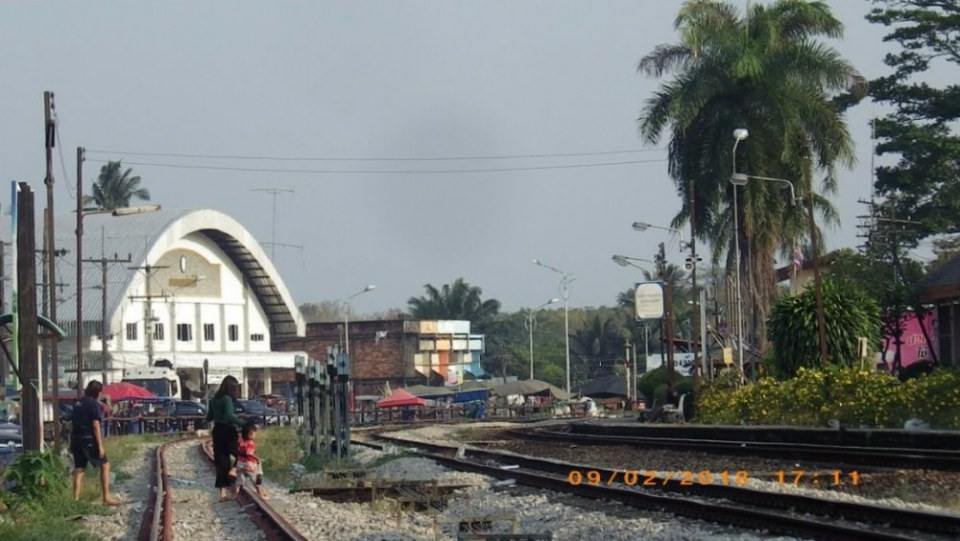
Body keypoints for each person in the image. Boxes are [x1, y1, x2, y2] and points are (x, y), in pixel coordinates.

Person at [70, 380, 120, 505]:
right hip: (89, 439)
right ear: (98, 392)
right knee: (105, 465)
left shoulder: (78, 403)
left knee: (79, 468)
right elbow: (96, 425)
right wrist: (100, 446)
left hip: (76, 439)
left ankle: (75, 499)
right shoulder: (93, 405)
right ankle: (106, 497)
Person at [206, 375, 245, 501]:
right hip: (228, 430)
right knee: (241, 453)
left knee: (221, 462)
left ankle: (222, 494)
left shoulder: (214, 399)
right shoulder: (227, 399)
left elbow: (209, 417)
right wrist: (244, 424)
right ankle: (233, 471)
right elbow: (229, 416)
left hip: (217, 431)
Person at [237, 422, 266, 498]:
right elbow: (249, 453)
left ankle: (236, 494)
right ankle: (260, 493)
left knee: (240, 479)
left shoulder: (241, 441)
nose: (255, 435)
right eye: (254, 433)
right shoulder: (250, 443)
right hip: (249, 464)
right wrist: (257, 458)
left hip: (240, 463)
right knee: (255, 479)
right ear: (249, 434)